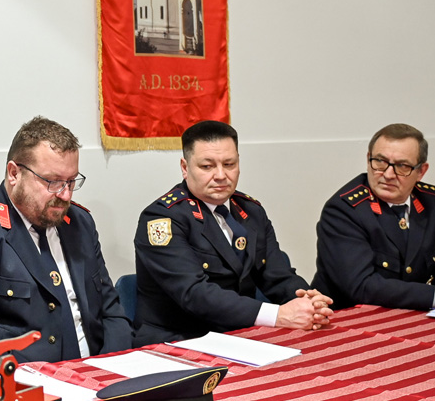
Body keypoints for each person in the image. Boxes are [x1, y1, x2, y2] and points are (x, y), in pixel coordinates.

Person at [0, 116, 131, 362]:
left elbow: (111, 312)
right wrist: (55, 376)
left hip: (99, 371)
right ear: (14, 173)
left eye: (71, 181)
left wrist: (111, 366)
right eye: (53, 182)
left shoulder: (80, 223)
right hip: (27, 378)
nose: (65, 195)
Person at [133, 120, 332, 344]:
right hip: (178, 339)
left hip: (239, 336)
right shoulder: (162, 218)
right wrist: (278, 315)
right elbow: (194, 294)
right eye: (207, 166)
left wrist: (307, 300)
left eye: (229, 164)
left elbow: (277, 275)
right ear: (185, 168)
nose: (221, 175)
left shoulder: (250, 211)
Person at [311, 123, 435, 310]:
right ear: (368, 159)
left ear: (421, 171)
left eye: (402, 166)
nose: (388, 174)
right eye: (380, 162)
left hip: (411, 314)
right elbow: (360, 287)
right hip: (349, 317)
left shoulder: (432, 202)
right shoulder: (344, 210)